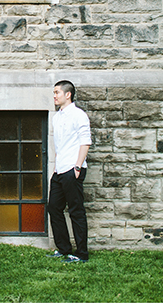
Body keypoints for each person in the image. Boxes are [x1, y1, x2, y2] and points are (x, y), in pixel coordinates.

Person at [46, 80, 92, 263]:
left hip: (73, 170)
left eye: (57, 92)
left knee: (76, 211)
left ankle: (82, 254)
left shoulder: (79, 115)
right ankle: (64, 249)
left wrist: (78, 166)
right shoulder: (56, 117)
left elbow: (85, 141)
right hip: (59, 171)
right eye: (54, 92)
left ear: (68, 94)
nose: (54, 95)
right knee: (54, 208)